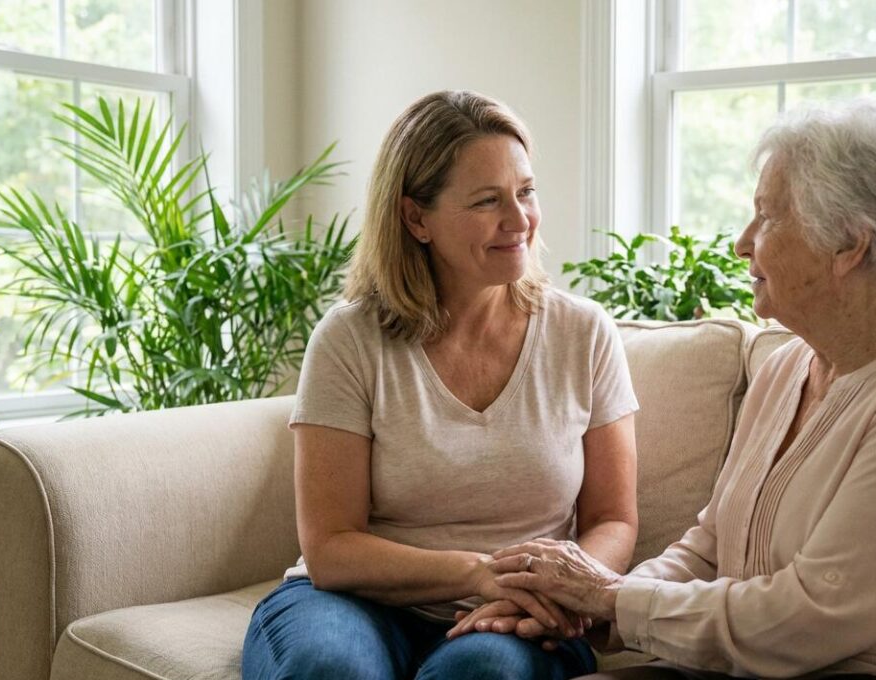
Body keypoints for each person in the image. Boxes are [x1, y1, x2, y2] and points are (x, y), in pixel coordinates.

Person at [452, 97, 876, 680]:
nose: (743, 241)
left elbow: (811, 619)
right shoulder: (790, 366)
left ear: (850, 243)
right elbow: (711, 549)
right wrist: (580, 606)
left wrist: (610, 597)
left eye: (768, 217)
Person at [241, 90, 640, 680]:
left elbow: (613, 520)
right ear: (415, 218)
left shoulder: (583, 333)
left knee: (482, 674)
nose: (519, 220)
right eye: (487, 200)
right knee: (329, 669)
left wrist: (553, 591)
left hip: (519, 614)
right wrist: (478, 572)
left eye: (526, 192)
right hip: (353, 603)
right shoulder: (350, 339)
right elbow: (330, 547)